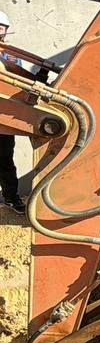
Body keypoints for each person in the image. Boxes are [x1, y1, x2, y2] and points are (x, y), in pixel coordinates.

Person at [0, 12, 27, 213]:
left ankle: (11, 198)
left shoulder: (10, 56)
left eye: (2, 27)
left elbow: (20, 83)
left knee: (5, 161)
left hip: (4, 118)